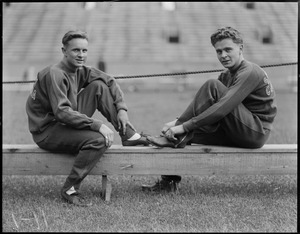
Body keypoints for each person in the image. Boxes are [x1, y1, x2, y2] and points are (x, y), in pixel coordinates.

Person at [143, 27, 277, 192]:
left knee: (210, 86)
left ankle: (180, 129)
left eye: (228, 49)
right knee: (180, 134)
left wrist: (182, 125)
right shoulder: (226, 75)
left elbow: (221, 109)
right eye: (218, 51)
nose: (223, 55)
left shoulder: (250, 71)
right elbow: (208, 105)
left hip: (255, 131)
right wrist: (176, 123)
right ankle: (168, 183)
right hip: (234, 128)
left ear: (241, 48)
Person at [26, 30, 149, 207]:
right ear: (64, 51)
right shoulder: (55, 74)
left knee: (99, 86)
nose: (81, 55)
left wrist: (122, 109)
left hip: (64, 120)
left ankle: (128, 135)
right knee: (99, 140)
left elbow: (110, 81)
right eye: (76, 50)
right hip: (47, 130)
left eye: (84, 51)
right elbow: (61, 112)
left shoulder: (80, 70)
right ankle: (70, 189)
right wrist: (97, 125)